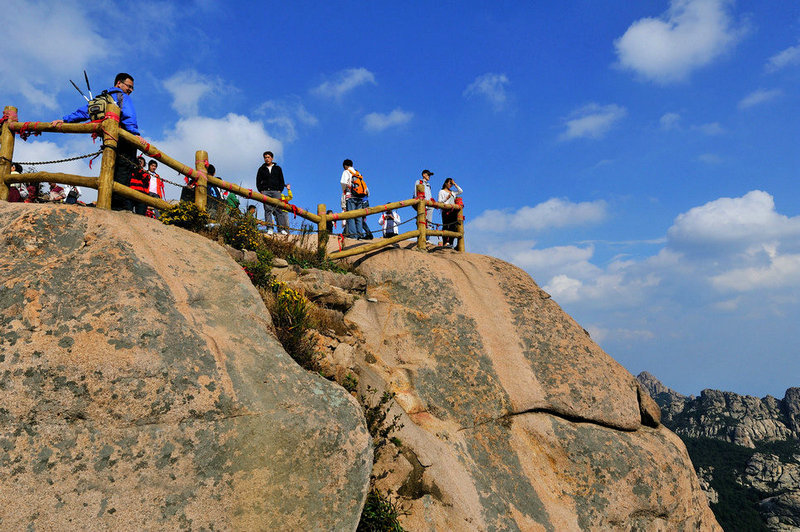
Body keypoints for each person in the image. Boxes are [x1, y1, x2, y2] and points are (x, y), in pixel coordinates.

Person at [53, 73, 139, 211]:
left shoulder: (102, 97)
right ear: (119, 83)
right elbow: (129, 117)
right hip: (124, 139)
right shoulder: (123, 97)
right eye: (129, 86)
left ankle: (108, 202)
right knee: (124, 172)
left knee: (111, 169)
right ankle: (119, 206)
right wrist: (135, 136)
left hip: (109, 141)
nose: (130, 90)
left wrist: (64, 120)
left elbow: (83, 112)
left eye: (132, 88)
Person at [256, 151, 289, 235]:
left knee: (279, 209)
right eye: (265, 157)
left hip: (276, 191)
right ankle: (269, 228)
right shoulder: (261, 169)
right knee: (267, 210)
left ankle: (281, 228)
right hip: (265, 191)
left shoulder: (278, 168)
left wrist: (280, 190)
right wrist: (261, 190)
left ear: (272, 158)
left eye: (268, 157)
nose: (267, 159)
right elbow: (258, 181)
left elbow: (281, 180)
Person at [340, 159, 368, 239]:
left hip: (350, 196)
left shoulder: (346, 172)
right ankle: (360, 235)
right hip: (359, 197)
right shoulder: (358, 173)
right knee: (358, 216)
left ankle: (353, 236)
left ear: (345, 165)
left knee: (351, 216)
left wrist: (344, 191)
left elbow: (343, 182)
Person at [438, 178, 463, 247]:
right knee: (446, 226)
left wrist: (455, 184)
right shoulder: (441, 191)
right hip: (445, 211)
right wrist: (446, 198)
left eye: (451, 184)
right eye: (449, 183)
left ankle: (451, 243)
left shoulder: (452, 192)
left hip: (453, 211)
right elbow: (439, 202)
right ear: (445, 183)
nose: (450, 185)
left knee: (453, 227)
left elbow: (461, 191)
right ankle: (445, 242)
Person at [415, 169, 435, 243]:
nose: (429, 176)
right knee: (421, 221)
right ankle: (421, 238)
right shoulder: (419, 181)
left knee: (429, 221)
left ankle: (428, 238)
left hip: (429, 204)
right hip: (422, 204)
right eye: (428, 175)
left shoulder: (428, 185)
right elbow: (415, 192)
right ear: (424, 174)